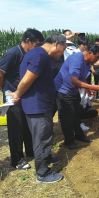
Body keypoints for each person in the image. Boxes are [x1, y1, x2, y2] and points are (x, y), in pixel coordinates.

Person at [8, 33, 66, 183]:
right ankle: (43, 172)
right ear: (56, 44)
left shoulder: (37, 53)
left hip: (40, 103)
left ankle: (47, 158)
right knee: (42, 139)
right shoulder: (40, 55)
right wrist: (18, 93)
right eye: (62, 50)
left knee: (44, 136)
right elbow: (27, 80)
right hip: (38, 105)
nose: (62, 54)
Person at [0, 29, 44, 170]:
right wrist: (4, 90)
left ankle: (30, 151)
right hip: (13, 96)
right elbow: (0, 73)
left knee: (27, 125)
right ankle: (17, 159)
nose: (38, 48)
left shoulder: (30, 54)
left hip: (24, 95)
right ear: (28, 41)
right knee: (16, 128)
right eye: (37, 44)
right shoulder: (13, 53)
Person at [54, 44, 99, 150]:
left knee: (77, 113)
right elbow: (74, 80)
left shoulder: (87, 63)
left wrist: (88, 89)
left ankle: (79, 135)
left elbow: (81, 78)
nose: (97, 60)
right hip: (63, 90)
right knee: (67, 117)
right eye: (96, 57)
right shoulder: (77, 59)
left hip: (73, 91)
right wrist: (92, 86)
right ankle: (69, 141)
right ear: (90, 53)